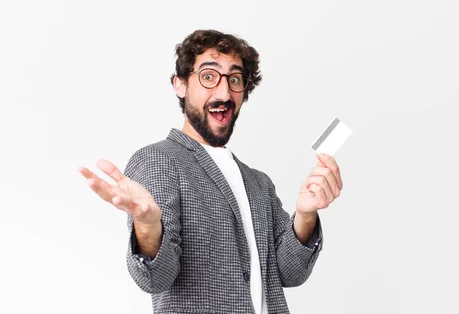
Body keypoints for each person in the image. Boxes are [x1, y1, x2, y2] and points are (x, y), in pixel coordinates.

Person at [78, 29, 343, 314]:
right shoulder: (159, 160)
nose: (224, 92)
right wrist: (147, 226)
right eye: (208, 76)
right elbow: (155, 277)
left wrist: (304, 215)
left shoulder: (258, 183)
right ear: (180, 85)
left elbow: (290, 273)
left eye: (235, 79)